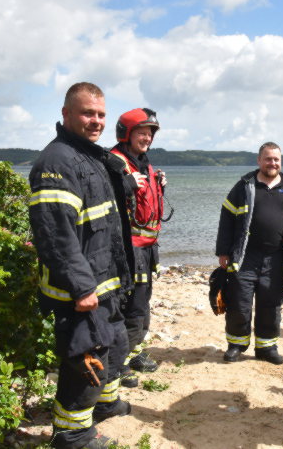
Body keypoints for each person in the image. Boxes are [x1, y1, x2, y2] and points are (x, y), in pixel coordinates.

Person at [29, 83, 133, 449]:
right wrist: (82, 289)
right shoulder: (56, 162)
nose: (96, 121)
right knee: (85, 359)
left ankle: (105, 406)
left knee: (116, 343)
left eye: (101, 114)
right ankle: (72, 435)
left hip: (104, 280)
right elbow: (55, 235)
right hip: (79, 290)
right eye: (88, 113)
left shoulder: (90, 156)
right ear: (66, 114)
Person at [215, 142, 283, 365]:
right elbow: (226, 218)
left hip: (277, 257)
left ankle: (267, 347)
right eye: (268, 159)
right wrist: (223, 251)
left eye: (276, 159)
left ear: (280, 161)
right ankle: (236, 345)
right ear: (259, 160)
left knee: (271, 303)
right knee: (240, 302)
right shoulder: (244, 186)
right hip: (245, 256)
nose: (272, 163)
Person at [110, 108, 167, 388]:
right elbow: (102, 198)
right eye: (142, 133)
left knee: (141, 308)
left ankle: (131, 355)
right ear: (127, 133)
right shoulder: (114, 163)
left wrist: (158, 185)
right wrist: (124, 184)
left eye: (150, 134)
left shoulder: (142, 163)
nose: (146, 138)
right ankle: (116, 364)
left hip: (146, 249)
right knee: (131, 309)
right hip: (128, 251)